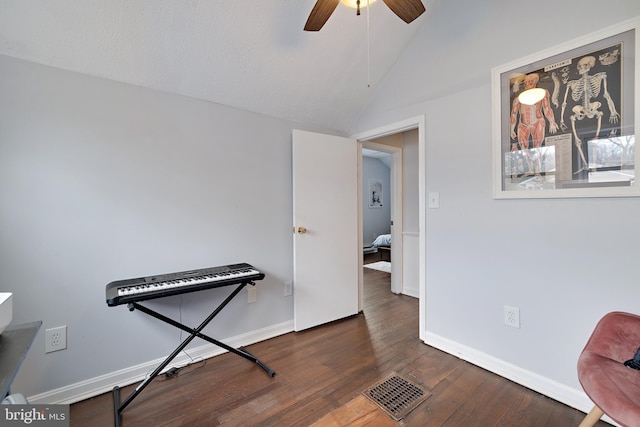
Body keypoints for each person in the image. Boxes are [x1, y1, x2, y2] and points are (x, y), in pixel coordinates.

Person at [509, 73, 559, 177]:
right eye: (526, 82)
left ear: (535, 82)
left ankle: (537, 171)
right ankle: (530, 169)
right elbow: (514, 114)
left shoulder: (542, 93)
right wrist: (511, 129)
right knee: (523, 147)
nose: (527, 84)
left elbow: (547, 108)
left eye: (530, 82)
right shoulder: (518, 98)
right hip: (523, 124)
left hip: (538, 121)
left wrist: (552, 122)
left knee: (537, 147)